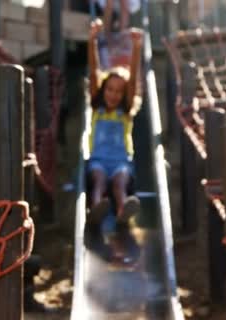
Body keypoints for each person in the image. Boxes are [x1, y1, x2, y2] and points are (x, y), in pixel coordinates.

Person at [87, 19, 143, 228]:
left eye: (119, 92)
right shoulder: (97, 109)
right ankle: (96, 208)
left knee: (120, 184)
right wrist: (92, 40)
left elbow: (134, 79)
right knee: (99, 181)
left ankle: (122, 210)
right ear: (103, 90)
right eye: (109, 89)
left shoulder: (125, 112)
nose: (113, 94)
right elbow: (94, 73)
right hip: (98, 160)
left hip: (121, 161)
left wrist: (136, 49)